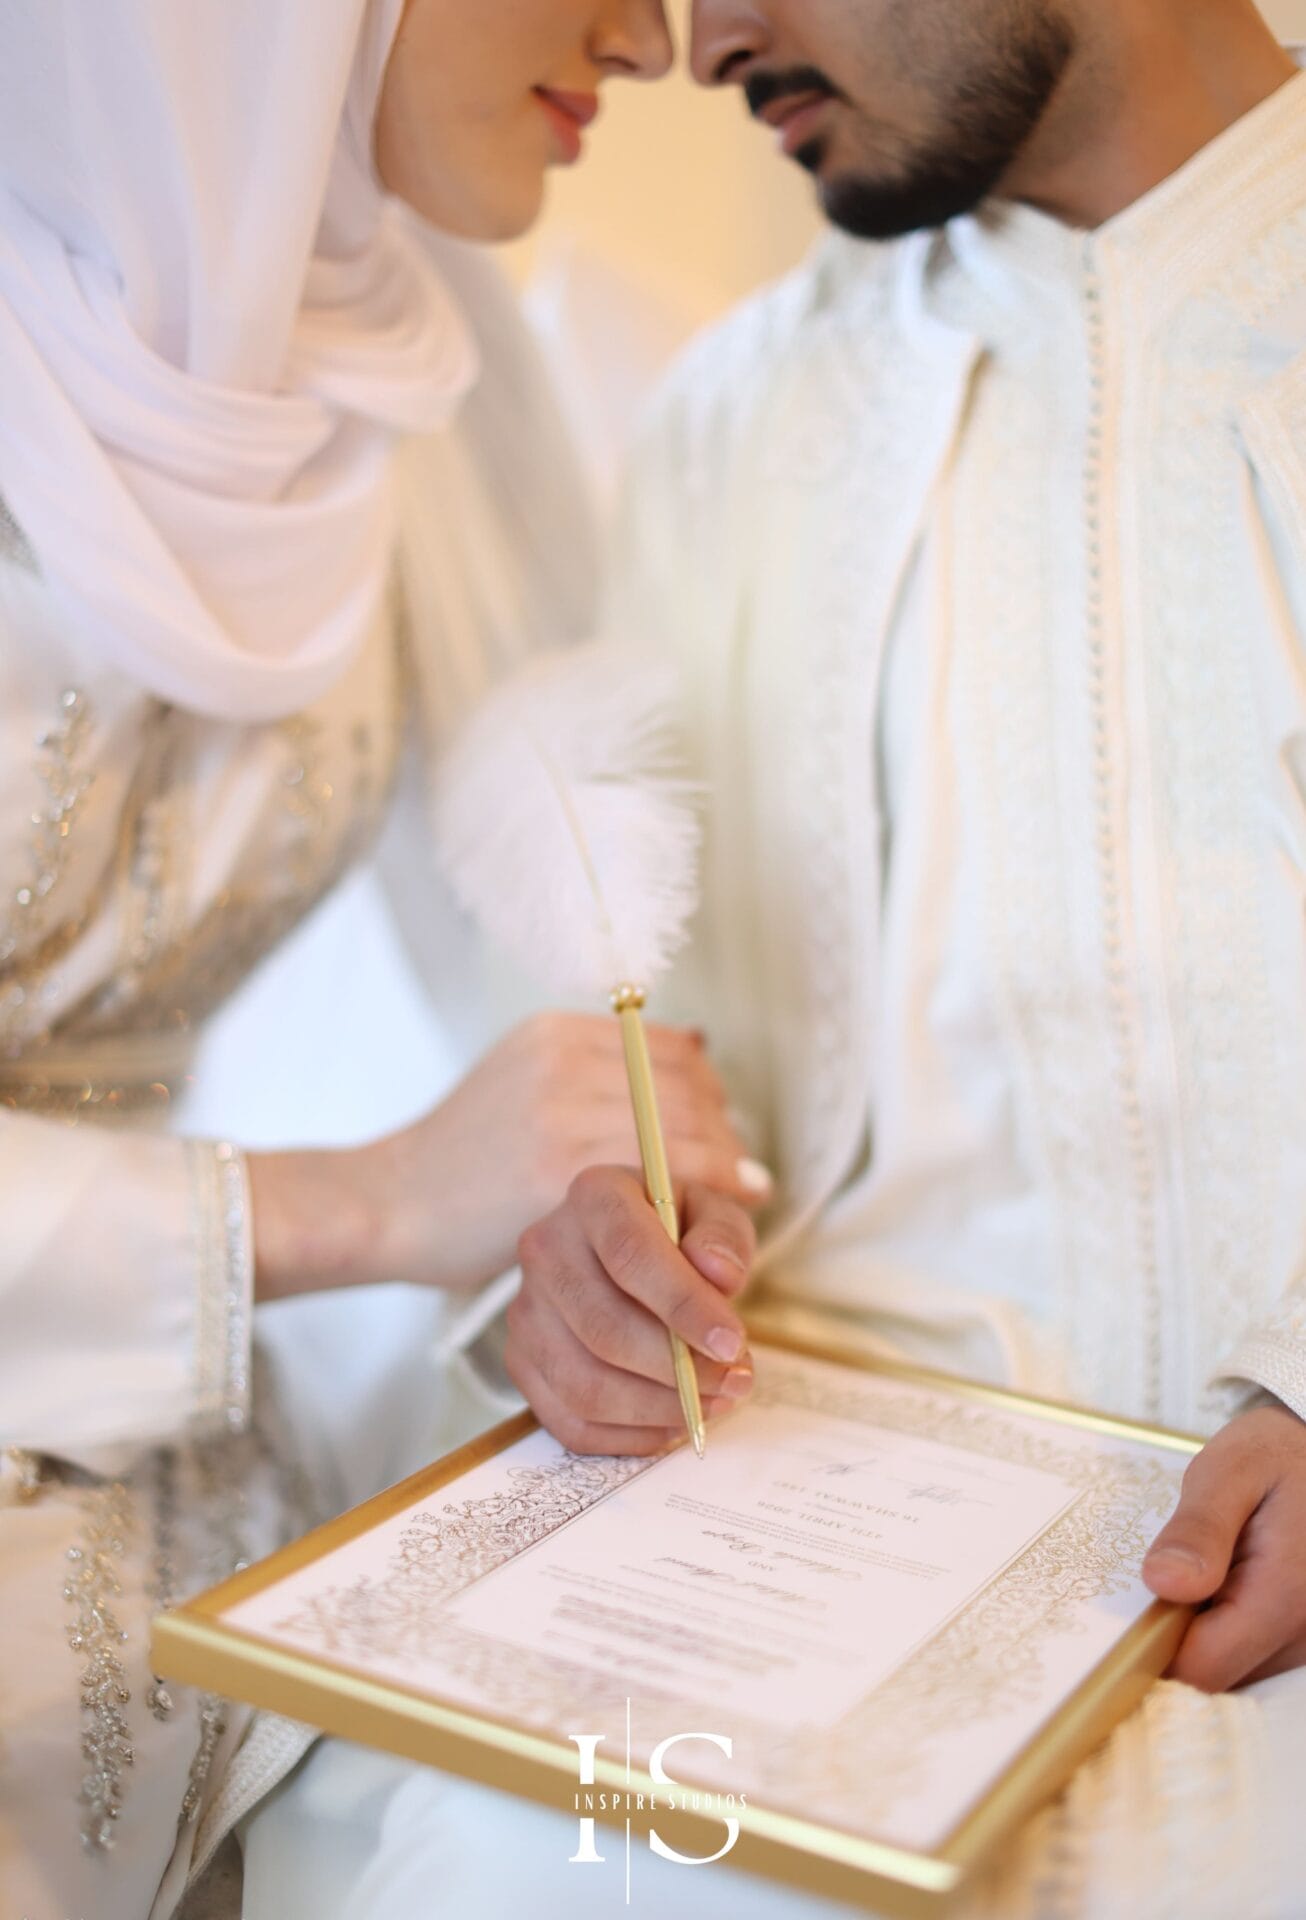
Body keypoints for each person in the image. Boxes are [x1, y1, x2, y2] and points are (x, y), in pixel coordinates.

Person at [242, 2, 1306, 1917]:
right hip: (800, 1581)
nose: (690, 34)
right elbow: (661, 1079)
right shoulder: (732, 418)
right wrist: (590, 1268)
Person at [0, 6, 782, 1919]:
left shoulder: (413, 338)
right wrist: (368, 1202)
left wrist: (596, 1234)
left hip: (164, 1466)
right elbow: (416, 1178)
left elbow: (546, 952)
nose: (657, 36)